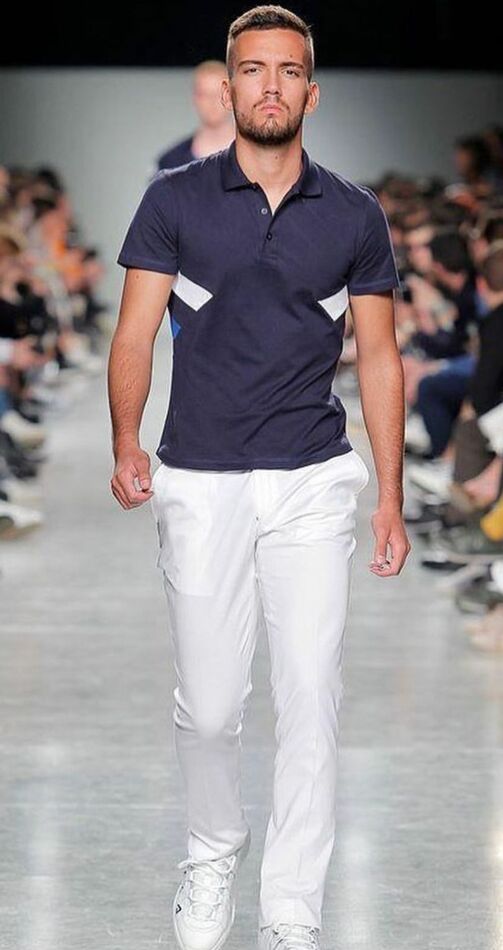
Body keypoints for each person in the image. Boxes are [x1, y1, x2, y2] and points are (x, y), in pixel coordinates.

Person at [108, 5, 411, 949]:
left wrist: (390, 496)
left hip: (311, 476)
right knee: (209, 710)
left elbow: (378, 356)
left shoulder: (354, 214)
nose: (269, 85)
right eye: (252, 69)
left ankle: (291, 909)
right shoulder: (173, 200)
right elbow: (134, 331)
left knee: (311, 695)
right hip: (199, 476)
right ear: (229, 85)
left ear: (310, 93)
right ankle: (211, 854)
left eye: (286, 70)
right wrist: (126, 442)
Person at [154, 60, 235, 173]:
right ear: (195, 98)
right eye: (205, 94)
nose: (212, 102)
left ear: (231, 96)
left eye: (219, 94)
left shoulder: (254, 155)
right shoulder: (171, 163)